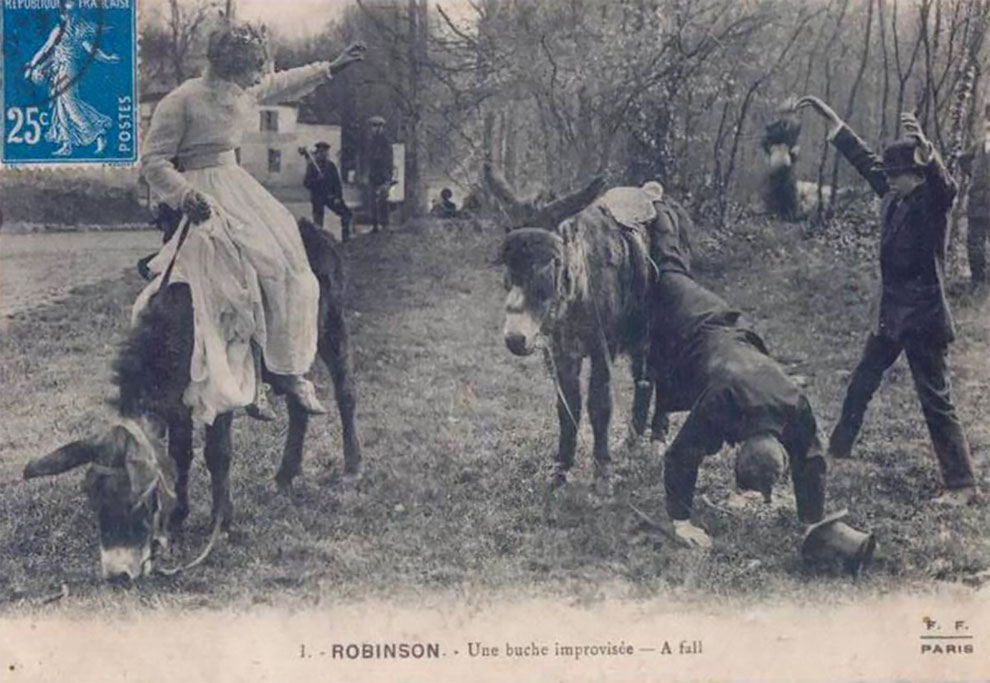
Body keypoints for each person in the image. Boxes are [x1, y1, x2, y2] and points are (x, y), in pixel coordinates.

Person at [135, 20, 366, 425]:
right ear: (227, 68)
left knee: (290, 273)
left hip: (240, 190)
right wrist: (187, 196)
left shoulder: (241, 90)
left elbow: (282, 82)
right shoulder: (181, 100)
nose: (258, 78)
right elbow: (153, 161)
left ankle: (286, 372)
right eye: (251, 70)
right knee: (226, 287)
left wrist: (332, 67)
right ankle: (244, 381)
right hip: (196, 196)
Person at [798, 96, 978, 507]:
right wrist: (836, 124)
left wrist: (930, 155)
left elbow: (947, 187)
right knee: (863, 379)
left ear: (916, 175)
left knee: (935, 398)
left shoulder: (932, 203)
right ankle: (839, 448)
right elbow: (867, 163)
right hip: (892, 316)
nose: (888, 178)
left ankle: (963, 484)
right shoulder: (896, 194)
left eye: (897, 173)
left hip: (924, 319)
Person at [647, 266, 850, 551]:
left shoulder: (794, 401)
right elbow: (681, 454)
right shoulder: (722, 401)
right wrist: (681, 522)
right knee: (665, 271)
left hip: (732, 332)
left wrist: (812, 522)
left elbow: (811, 457)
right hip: (691, 322)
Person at [23, 0, 117, 156]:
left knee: (70, 102)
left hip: (69, 68)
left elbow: (90, 49)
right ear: (63, 13)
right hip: (57, 68)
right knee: (61, 104)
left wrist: (105, 58)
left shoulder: (81, 28)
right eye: (67, 10)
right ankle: (67, 144)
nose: (70, 14)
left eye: (73, 10)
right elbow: (46, 48)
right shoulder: (59, 29)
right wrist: (32, 65)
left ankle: (97, 133)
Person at [961, 103, 990, 292]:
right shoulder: (981, 144)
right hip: (978, 201)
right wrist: (976, 177)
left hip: (981, 200)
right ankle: (979, 281)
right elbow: (963, 159)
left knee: (976, 241)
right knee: (975, 241)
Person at [304, 141, 353, 241]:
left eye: (325, 152)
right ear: (317, 153)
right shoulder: (312, 167)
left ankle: (346, 238)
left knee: (346, 213)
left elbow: (337, 184)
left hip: (330, 196)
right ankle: (319, 242)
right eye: (321, 152)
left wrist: (338, 197)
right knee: (318, 222)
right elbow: (306, 183)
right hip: (318, 198)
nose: (323, 154)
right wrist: (317, 180)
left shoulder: (331, 166)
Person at [366, 116, 393, 232]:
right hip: (373, 175)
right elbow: (368, 159)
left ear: (382, 127)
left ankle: (385, 225)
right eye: (373, 126)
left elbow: (388, 161)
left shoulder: (385, 142)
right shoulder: (370, 142)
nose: (375, 129)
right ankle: (375, 225)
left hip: (383, 175)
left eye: (377, 126)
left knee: (383, 200)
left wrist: (388, 178)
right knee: (372, 201)